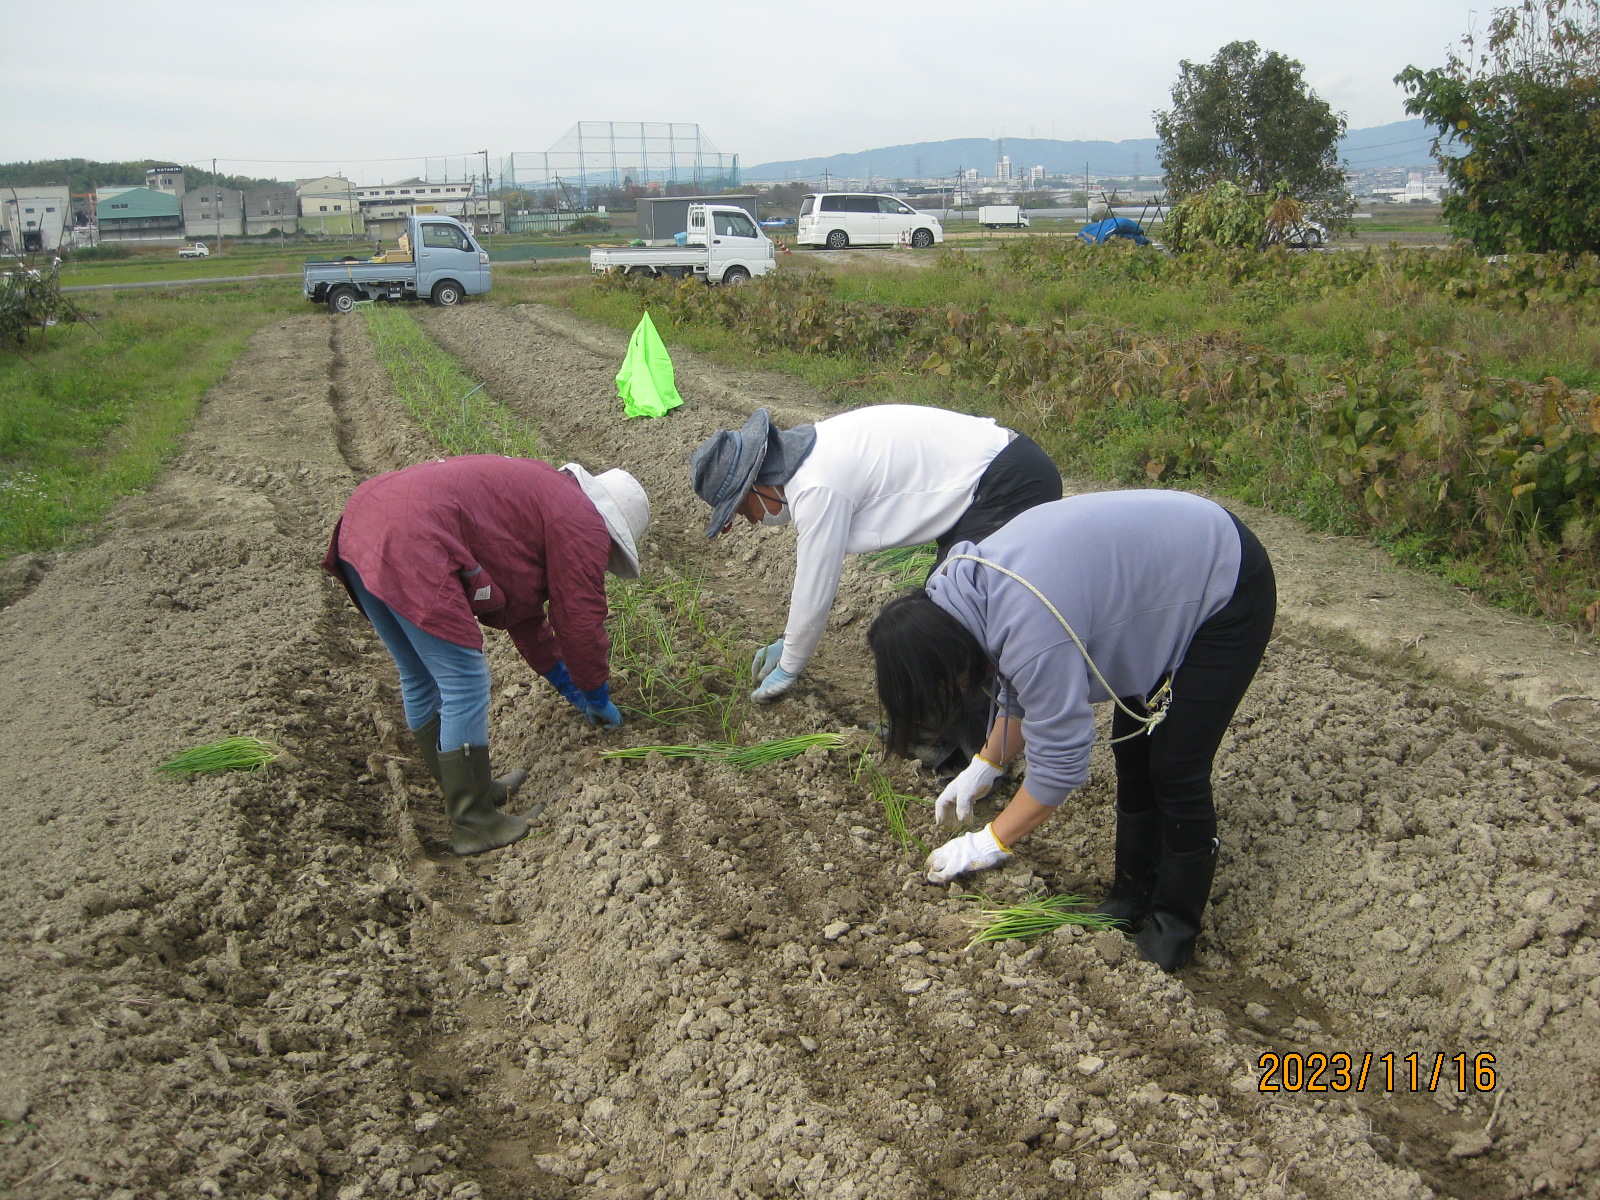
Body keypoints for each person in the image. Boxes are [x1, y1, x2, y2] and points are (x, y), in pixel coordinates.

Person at [867, 490, 1276, 971]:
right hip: (1154, 588)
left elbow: (1059, 764)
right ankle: (1129, 898)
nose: (955, 692)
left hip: (1221, 579)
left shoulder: (1027, 620)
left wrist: (988, 842)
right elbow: (1020, 686)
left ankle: (1173, 928)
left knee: (1175, 764)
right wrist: (986, 763)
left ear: (946, 656)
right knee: (1133, 750)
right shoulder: (960, 599)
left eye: (944, 685)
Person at [324, 455, 650, 856]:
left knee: (418, 674)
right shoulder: (580, 522)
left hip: (365, 520)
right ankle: (474, 821)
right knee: (463, 679)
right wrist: (595, 692)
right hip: (411, 537)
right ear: (610, 528)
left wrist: (571, 687)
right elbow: (579, 621)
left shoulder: (544, 497)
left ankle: (467, 790)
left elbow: (525, 616)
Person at [690, 404, 1061, 706]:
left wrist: (790, 662)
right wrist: (788, 642)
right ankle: (939, 732)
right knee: (947, 613)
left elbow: (815, 587)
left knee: (954, 620)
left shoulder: (816, 485)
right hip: (989, 480)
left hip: (1008, 480)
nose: (752, 521)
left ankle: (967, 749)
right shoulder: (811, 458)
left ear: (757, 484)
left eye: (743, 509)